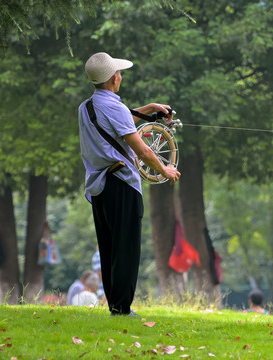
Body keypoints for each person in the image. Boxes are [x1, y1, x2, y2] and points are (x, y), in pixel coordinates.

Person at [78, 52, 180, 316]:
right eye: (119, 74)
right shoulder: (115, 107)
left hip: (99, 187)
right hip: (122, 184)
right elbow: (144, 150)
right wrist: (165, 169)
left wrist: (148, 109)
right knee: (126, 247)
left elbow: (118, 123)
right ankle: (122, 308)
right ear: (114, 78)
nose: (120, 77)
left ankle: (115, 305)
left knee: (110, 246)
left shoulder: (86, 107)